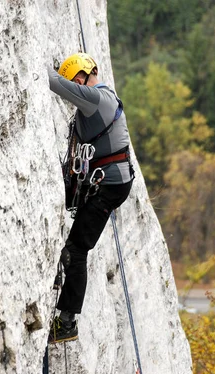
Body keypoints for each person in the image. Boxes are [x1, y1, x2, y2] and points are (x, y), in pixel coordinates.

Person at [47, 53, 134, 343]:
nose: (76, 87)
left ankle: (67, 322)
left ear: (86, 75)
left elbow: (53, 82)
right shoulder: (100, 100)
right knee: (76, 246)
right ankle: (67, 312)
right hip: (110, 183)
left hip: (108, 186)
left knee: (76, 249)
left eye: (77, 81)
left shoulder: (97, 99)